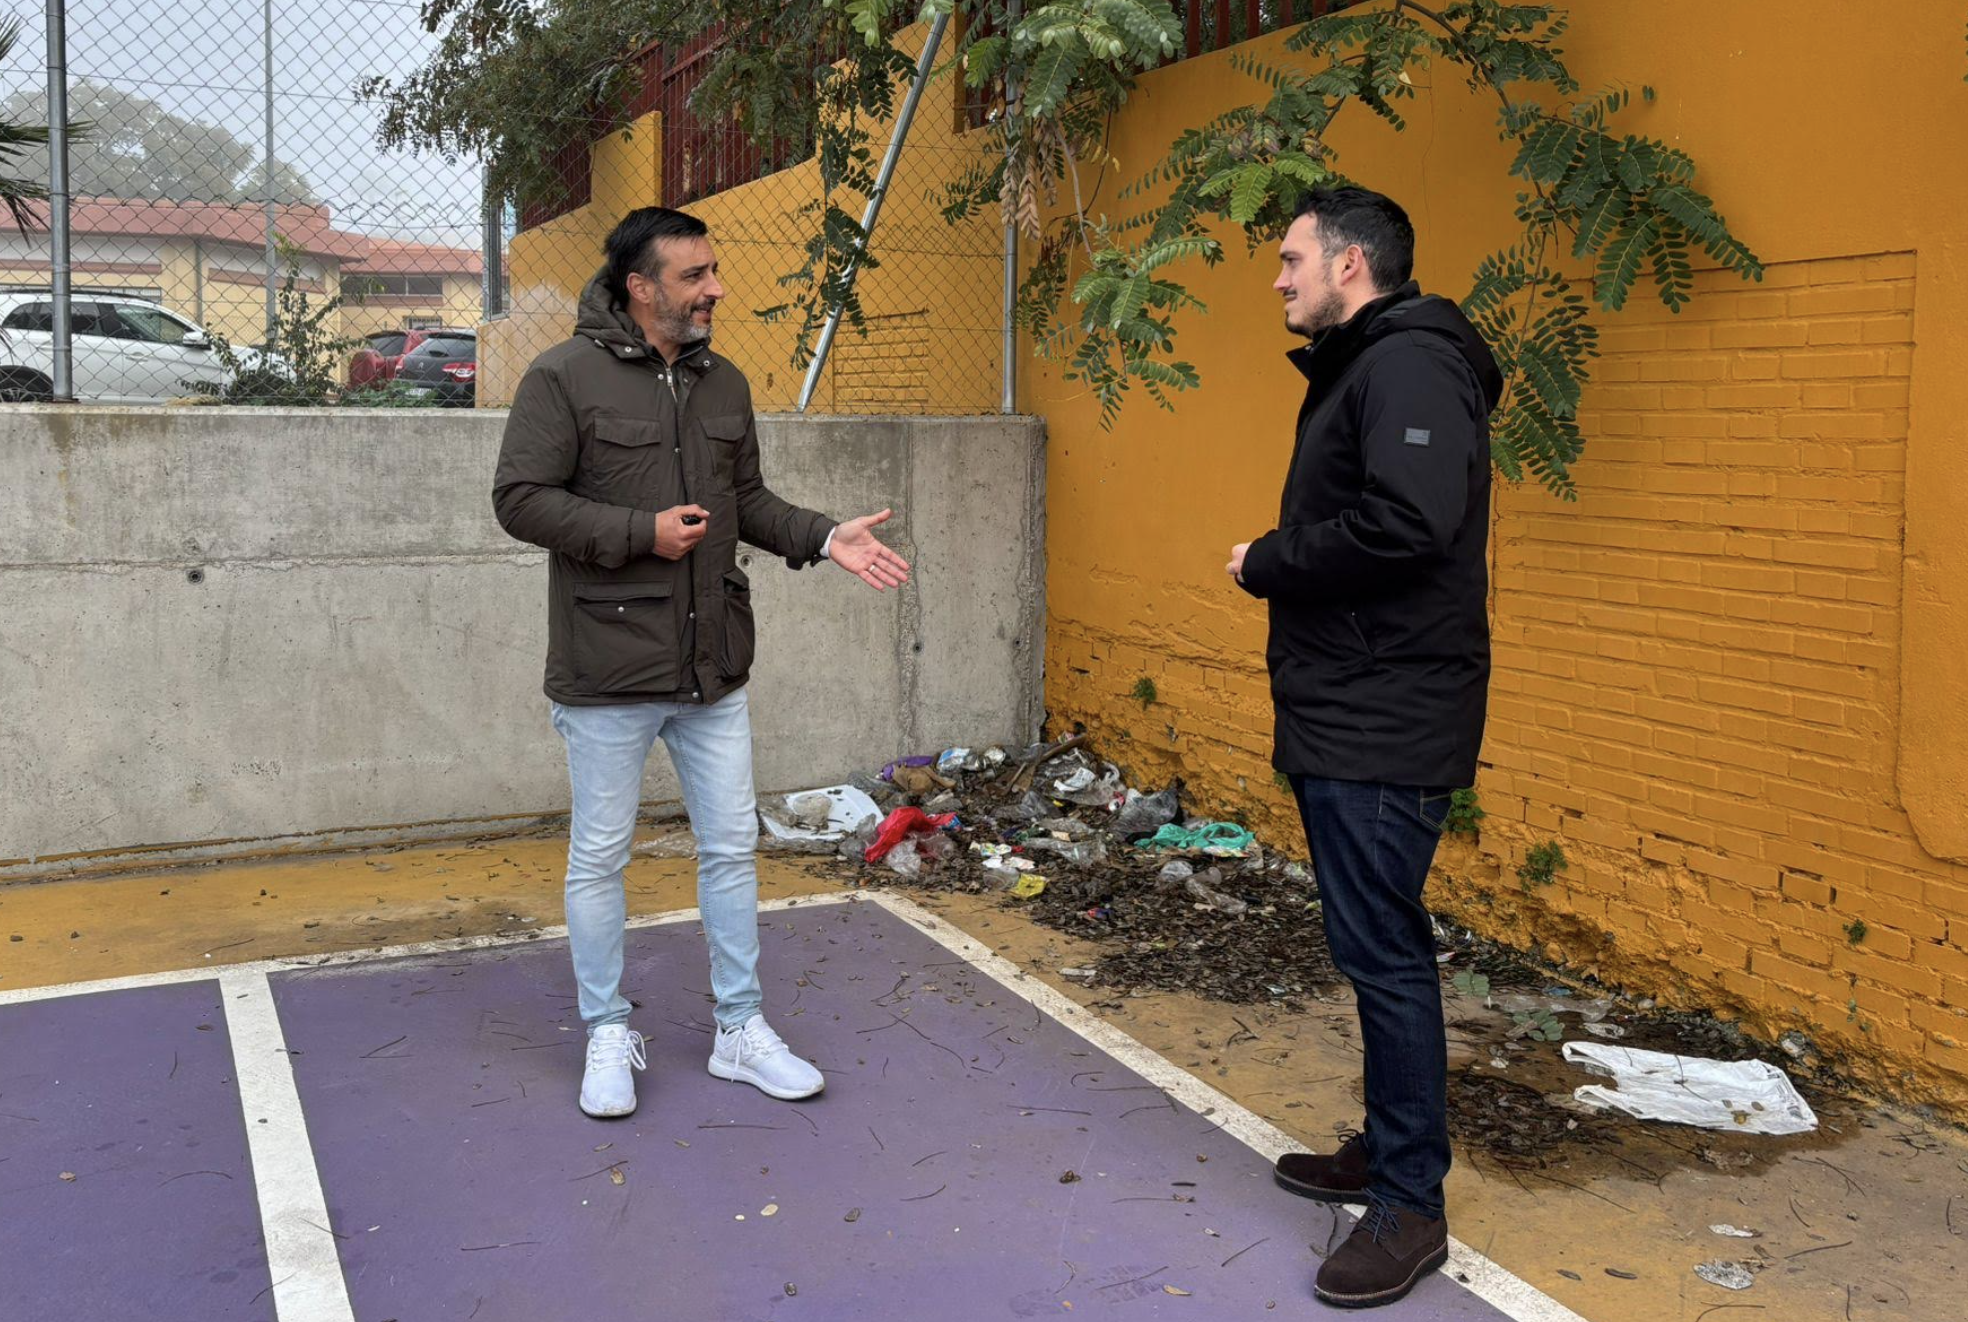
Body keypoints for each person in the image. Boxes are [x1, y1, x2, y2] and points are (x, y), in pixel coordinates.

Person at [493, 206, 910, 1119]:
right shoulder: (563, 376)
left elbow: (745, 500)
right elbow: (520, 499)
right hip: (607, 670)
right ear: (640, 287)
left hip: (713, 666)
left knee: (729, 851)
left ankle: (739, 1031)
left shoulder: (723, 383)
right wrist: (638, 532)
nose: (715, 289)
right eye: (695, 276)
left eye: (713, 271)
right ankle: (607, 1031)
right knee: (599, 858)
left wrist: (822, 536)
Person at [1226, 186, 1501, 1309]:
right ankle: (1389, 1147)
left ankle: (1410, 1205)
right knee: (1369, 944)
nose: (1279, 278)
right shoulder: (1375, 364)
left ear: (1350, 264)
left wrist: (1270, 559)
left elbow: (1408, 523)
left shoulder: (1411, 364)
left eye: (1292, 258)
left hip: (1386, 714)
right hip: (1355, 702)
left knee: (1385, 954)